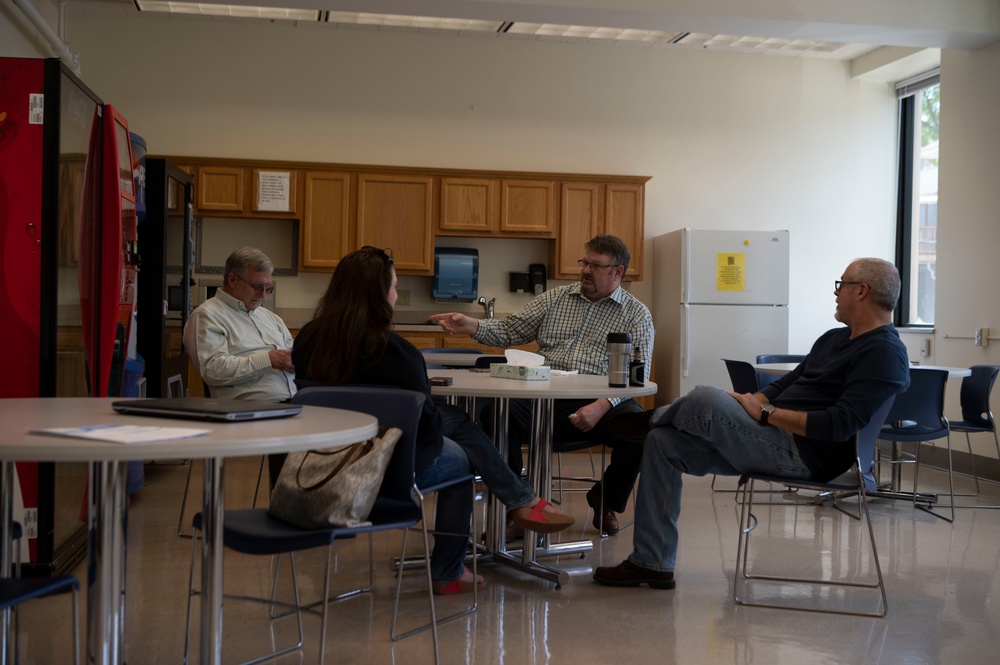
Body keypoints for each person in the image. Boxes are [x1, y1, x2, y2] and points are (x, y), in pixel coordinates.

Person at [593, 258, 911, 590]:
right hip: (771, 436)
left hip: (806, 455)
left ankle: (650, 420)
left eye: (841, 284)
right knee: (662, 443)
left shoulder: (884, 353)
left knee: (705, 397)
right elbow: (790, 382)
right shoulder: (835, 338)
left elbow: (839, 425)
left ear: (861, 291)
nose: (835, 292)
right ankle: (652, 563)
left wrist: (766, 414)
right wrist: (755, 401)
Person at [292, 246, 574, 595]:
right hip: (384, 470)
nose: (396, 294)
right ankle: (455, 564)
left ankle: (520, 502)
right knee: (460, 456)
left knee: (457, 422)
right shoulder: (396, 351)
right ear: (380, 295)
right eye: (394, 287)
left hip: (318, 466)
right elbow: (425, 431)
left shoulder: (306, 340)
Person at [430, 234, 654, 536]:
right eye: (584, 263)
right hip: (543, 396)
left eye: (596, 266)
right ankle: (519, 506)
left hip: (603, 400)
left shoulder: (636, 314)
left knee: (642, 429)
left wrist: (601, 406)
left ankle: (606, 498)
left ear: (618, 272)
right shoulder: (556, 298)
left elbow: (635, 375)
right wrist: (469, 324)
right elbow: (510, 329)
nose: (586, 270)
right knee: (497, 413)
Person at [183, 246, 296, 485]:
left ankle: (313, 505)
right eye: (257, 286)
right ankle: (290, 505)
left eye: (268, 288)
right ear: (232, 280)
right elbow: (212, 370)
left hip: (291, 400)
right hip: (248, 410)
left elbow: (293, 352)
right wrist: (270, 359)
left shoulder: (268, 317)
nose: (263, 295)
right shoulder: (207, 316)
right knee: (311, 436)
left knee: (336, 409)